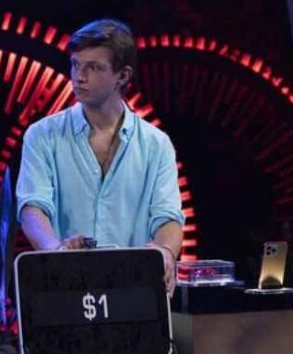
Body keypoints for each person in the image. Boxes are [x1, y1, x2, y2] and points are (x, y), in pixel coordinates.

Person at [16, 18, 184, 292]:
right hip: (64, 290)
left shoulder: (157, 144)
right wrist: (56, 251)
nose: (79, 76)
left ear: (122, 76)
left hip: (132, 292)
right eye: (75, 65)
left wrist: (164, 251)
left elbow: (167, 217)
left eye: (93, 67)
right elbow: (33, 209)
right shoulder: (42, 135)